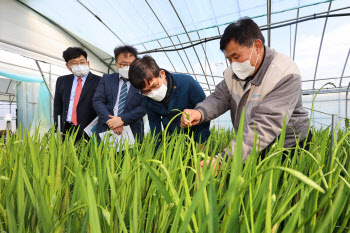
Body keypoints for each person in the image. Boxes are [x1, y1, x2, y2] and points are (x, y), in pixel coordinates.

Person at [181, 17, 311, 168]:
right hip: (253, 144)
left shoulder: (284, 74)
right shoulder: (233, 74)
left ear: (257, 46)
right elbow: (219, 97)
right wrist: (200, 112)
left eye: (236, 57)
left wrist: (223, 160)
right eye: (229, 59)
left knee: (284, 187)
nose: (233, 65)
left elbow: (265, 125)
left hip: (288, 145)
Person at [128, 55, 210, 146]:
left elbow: (204, 111)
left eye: (155, 85)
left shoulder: (187, 83)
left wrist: (201, 141)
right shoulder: (145, 97)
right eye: (146, 91)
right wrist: (157, 149)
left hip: (195, 137)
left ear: (162, 74)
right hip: (172, 140)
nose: (152, 93)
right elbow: (154, 122)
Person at [93, 45, 146, 141]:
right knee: (104, 156)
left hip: (132, 131)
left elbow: (144, 106)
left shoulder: (143, 81)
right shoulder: (107, 79)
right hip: (106, 128)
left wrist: (122, 119)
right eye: (124, 64)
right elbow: (97, 100)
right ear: (116, 64)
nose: (128, 67)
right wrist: (111, 121)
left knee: (131, 156)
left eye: (131, 64)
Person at [54, 47, 101, 141]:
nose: (79, 65)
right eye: (74, 63)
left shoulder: (100, 81)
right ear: (68, 66)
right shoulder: (62, 81)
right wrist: (58, 131)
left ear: (88, 63)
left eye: (82, 62)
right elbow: (58, 108)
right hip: (67, 129)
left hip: (89, 130)